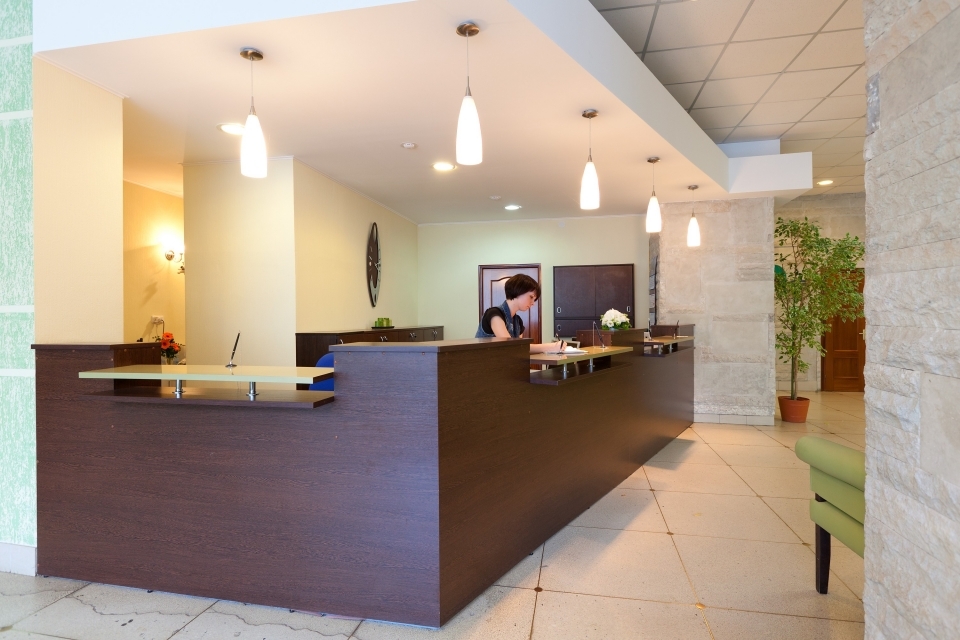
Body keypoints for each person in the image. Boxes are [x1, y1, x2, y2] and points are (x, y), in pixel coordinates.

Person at [475, 274, 565, 354]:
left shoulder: (518, 321)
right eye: (531, 297)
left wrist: (552, 347)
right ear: (518, 291)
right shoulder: (494, 314)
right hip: (483, 365)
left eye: (534, 299)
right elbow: (511, 347)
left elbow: (520, 349)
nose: (533, 303)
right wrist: (551, 347)